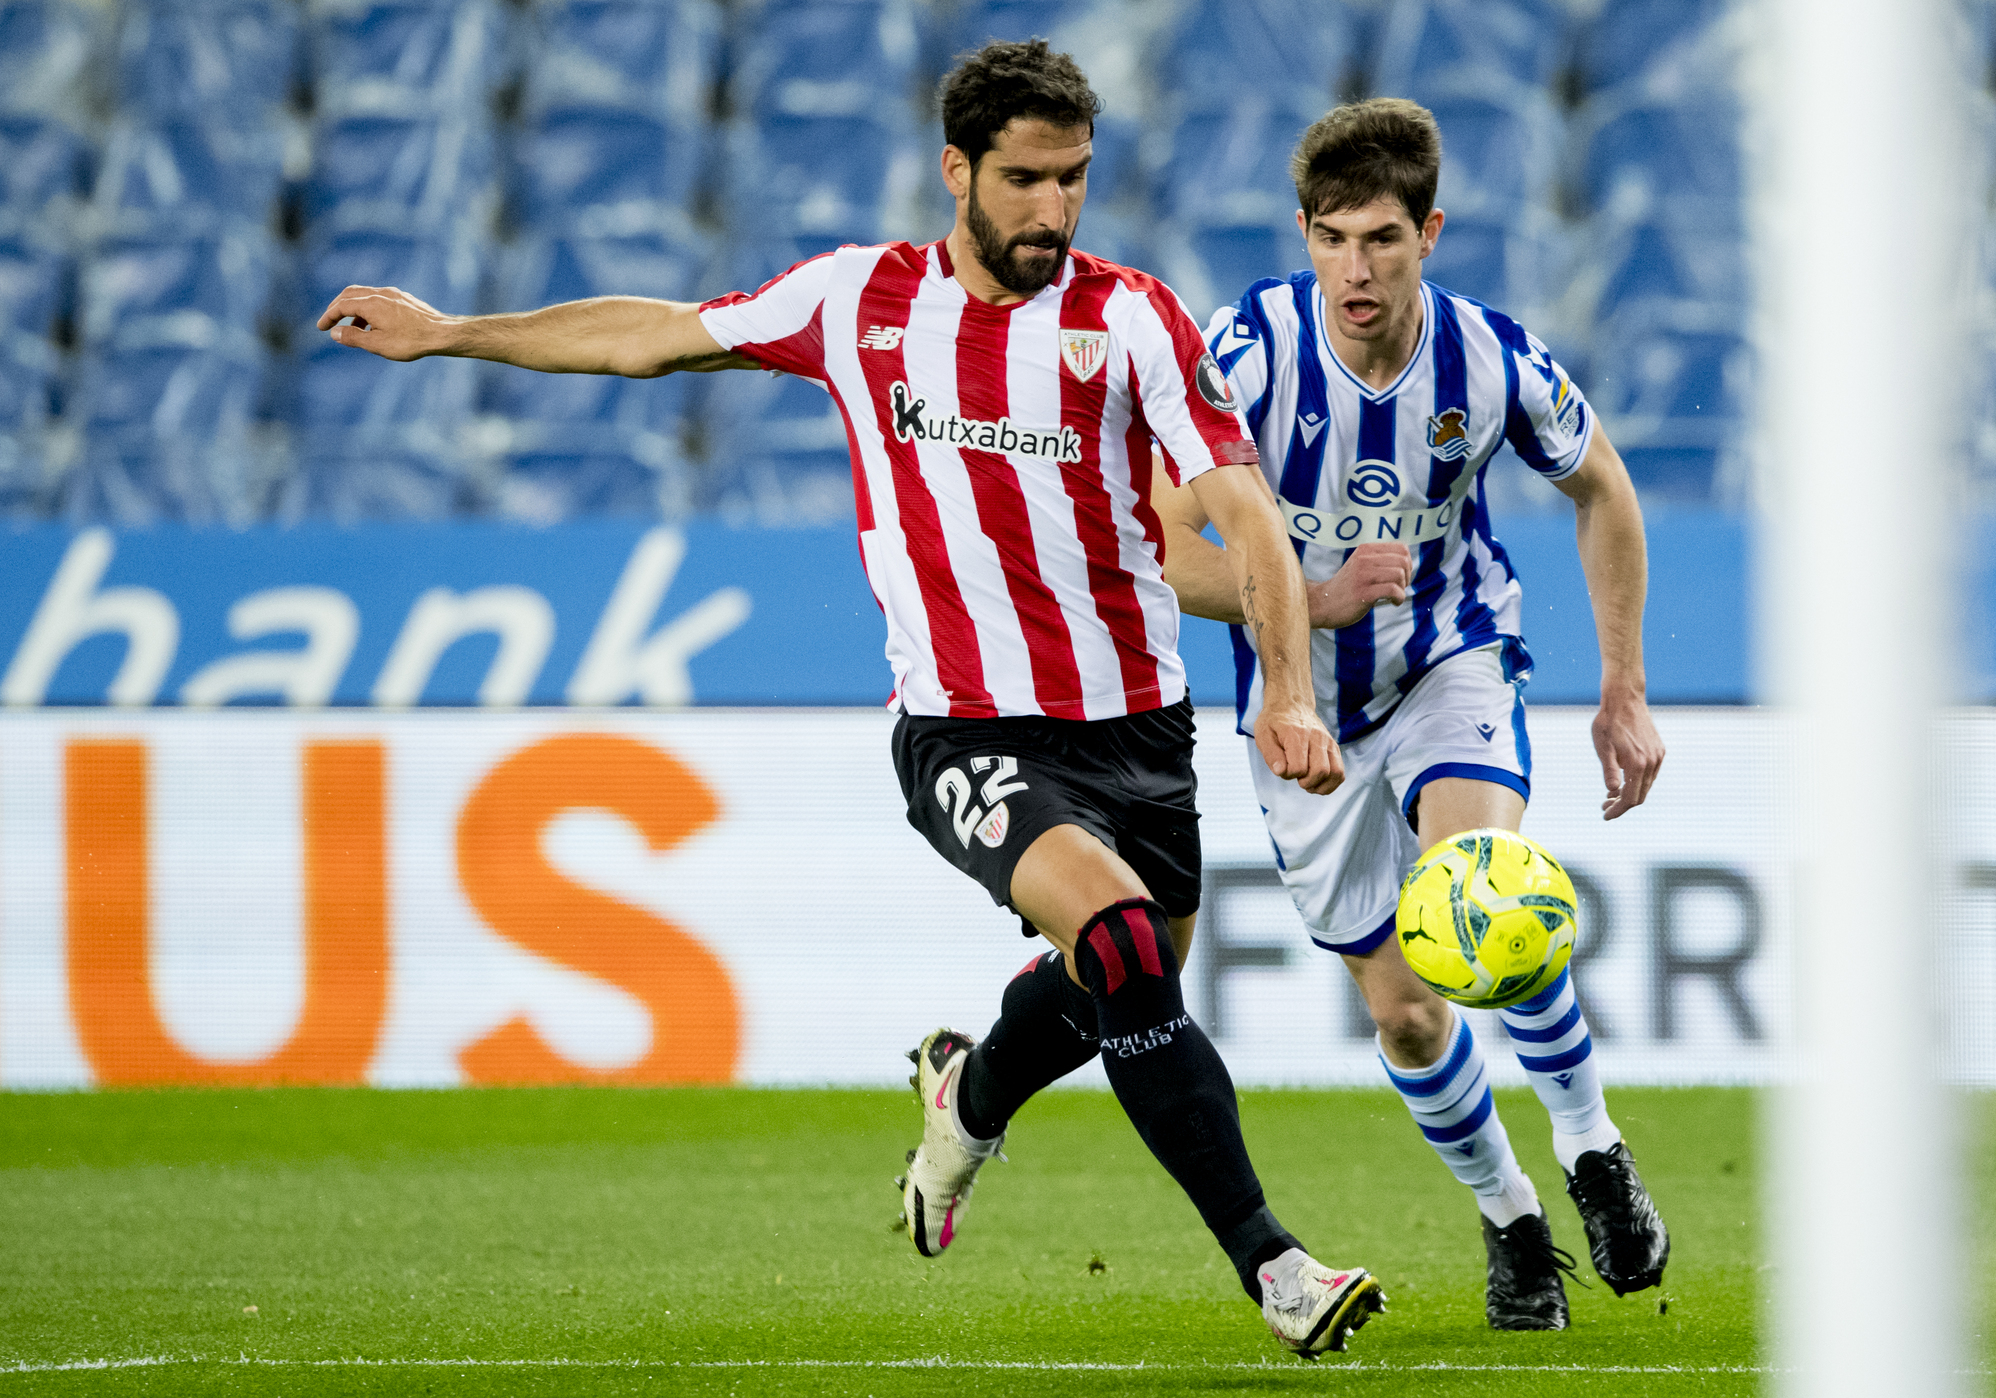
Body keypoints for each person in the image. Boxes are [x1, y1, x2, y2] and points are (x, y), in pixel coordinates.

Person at [316, 41, 1385, 1361]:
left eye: (1075, 181)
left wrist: (1288, 688)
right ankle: (1273, 1262)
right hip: (964, 724)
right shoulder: (856, 301)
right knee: (1115, 945)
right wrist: (453, 332)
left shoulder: (1133, 322)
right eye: (1026, 181)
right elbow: (652, 337)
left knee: (1121, 971)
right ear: (957, 171)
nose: (1054, 211)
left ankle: (964, 1095)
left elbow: (1244, 515)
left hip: (1139, 724)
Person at [1154, 98, 1670, 1332]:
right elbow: (1160, 542)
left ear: (1428, 232)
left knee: (1476, 894)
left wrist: (1625, 688)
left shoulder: (1490, 358)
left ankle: (1592, 1149)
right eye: (1330, 239)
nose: (1355, 268)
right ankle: (1512, 1225)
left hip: (1451, 656)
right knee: (1405, 1007)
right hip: (1298, 706)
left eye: (1380, 238)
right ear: (1303, 234)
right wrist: (1308, 603)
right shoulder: (1250, 350)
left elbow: (1603, 490)